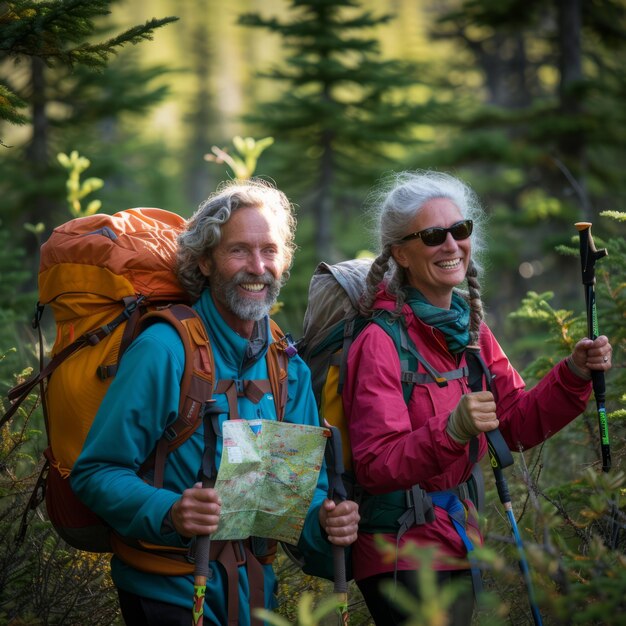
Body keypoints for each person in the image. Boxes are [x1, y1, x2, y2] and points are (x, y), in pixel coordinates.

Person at [71, 178, 360, 626]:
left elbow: (296, 495)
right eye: (238, 250)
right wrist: (170, 510)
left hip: (257, 598)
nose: (258, 267)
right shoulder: (164, 351)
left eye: (269, 251)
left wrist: (327, 525)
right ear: (205, 261)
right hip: (168, 592)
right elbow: (95, 473)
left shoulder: (288, 367)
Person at [341, 170, 613, 625]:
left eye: (460, 230)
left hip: (458, 538)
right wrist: (451, 431)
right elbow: (375, 465)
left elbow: (516, 426)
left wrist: (573, 374)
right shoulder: (380, 342)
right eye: (432, 235)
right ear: (401, 254)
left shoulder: (470, 331)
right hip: (399, 550)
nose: (451, 245)